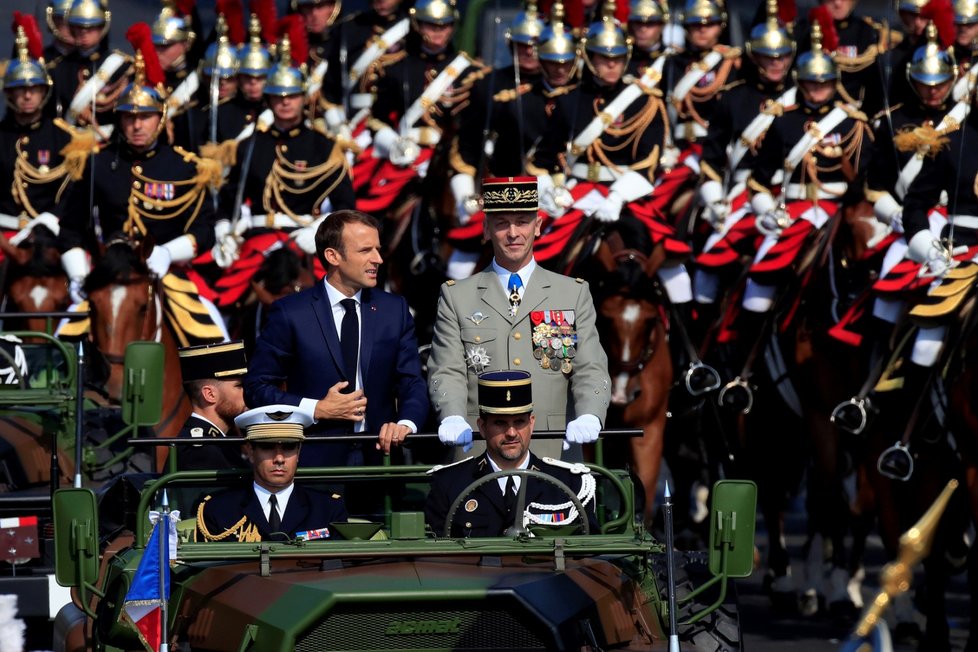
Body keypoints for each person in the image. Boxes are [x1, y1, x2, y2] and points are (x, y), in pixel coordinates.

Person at [56, 23, 228, 346]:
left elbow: (204, 230)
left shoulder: (186, 167)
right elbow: (71, 228)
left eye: (145, 116)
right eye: (129, 117)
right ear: (119, 120)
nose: (137, 125)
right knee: (62, 338)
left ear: (160, 118)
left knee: (215, 334)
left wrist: (166, 252)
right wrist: (80, 275)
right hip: (107, 277)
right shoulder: (95, 162)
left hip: (167, 275)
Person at [427, 176, 610, 461]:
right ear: (486, 230)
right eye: (502, 223)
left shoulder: (572, 293)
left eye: (523, 222)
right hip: (479, 449)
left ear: (537, 227)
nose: (513, 233)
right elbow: (446, 369)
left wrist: (590, 414)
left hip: (551, 450)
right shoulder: (457, 296)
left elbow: (590, 368)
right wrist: (451, 415)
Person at [244, 210, 429, 466]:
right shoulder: (291, 313)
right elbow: (256, 388)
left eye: (378, 249)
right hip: (315, 462)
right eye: (366, 251)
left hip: (381, 460)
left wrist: (405, 424)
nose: (378, 259)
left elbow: (412, 382)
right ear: (333, 256)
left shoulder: (394, 310)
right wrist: (316, 409)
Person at [425, 370, 597, 537]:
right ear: (482, 427)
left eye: (519, 422)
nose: (512, 433)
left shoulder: (568, 484)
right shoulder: (450, 483)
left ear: (531, 424)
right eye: (500, 423)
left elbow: (588, 551)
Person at [195, 404, 348, 542]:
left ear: (298, 452)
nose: (279, 458)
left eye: (289, 447)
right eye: (267, 447)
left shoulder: (327, 508)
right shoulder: (218, 509)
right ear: (250, 451)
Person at [170, 341, 250, 471]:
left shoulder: (217, 444)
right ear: (210, 394)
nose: (246, 393)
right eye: (239, 386)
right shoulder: (199, 452)